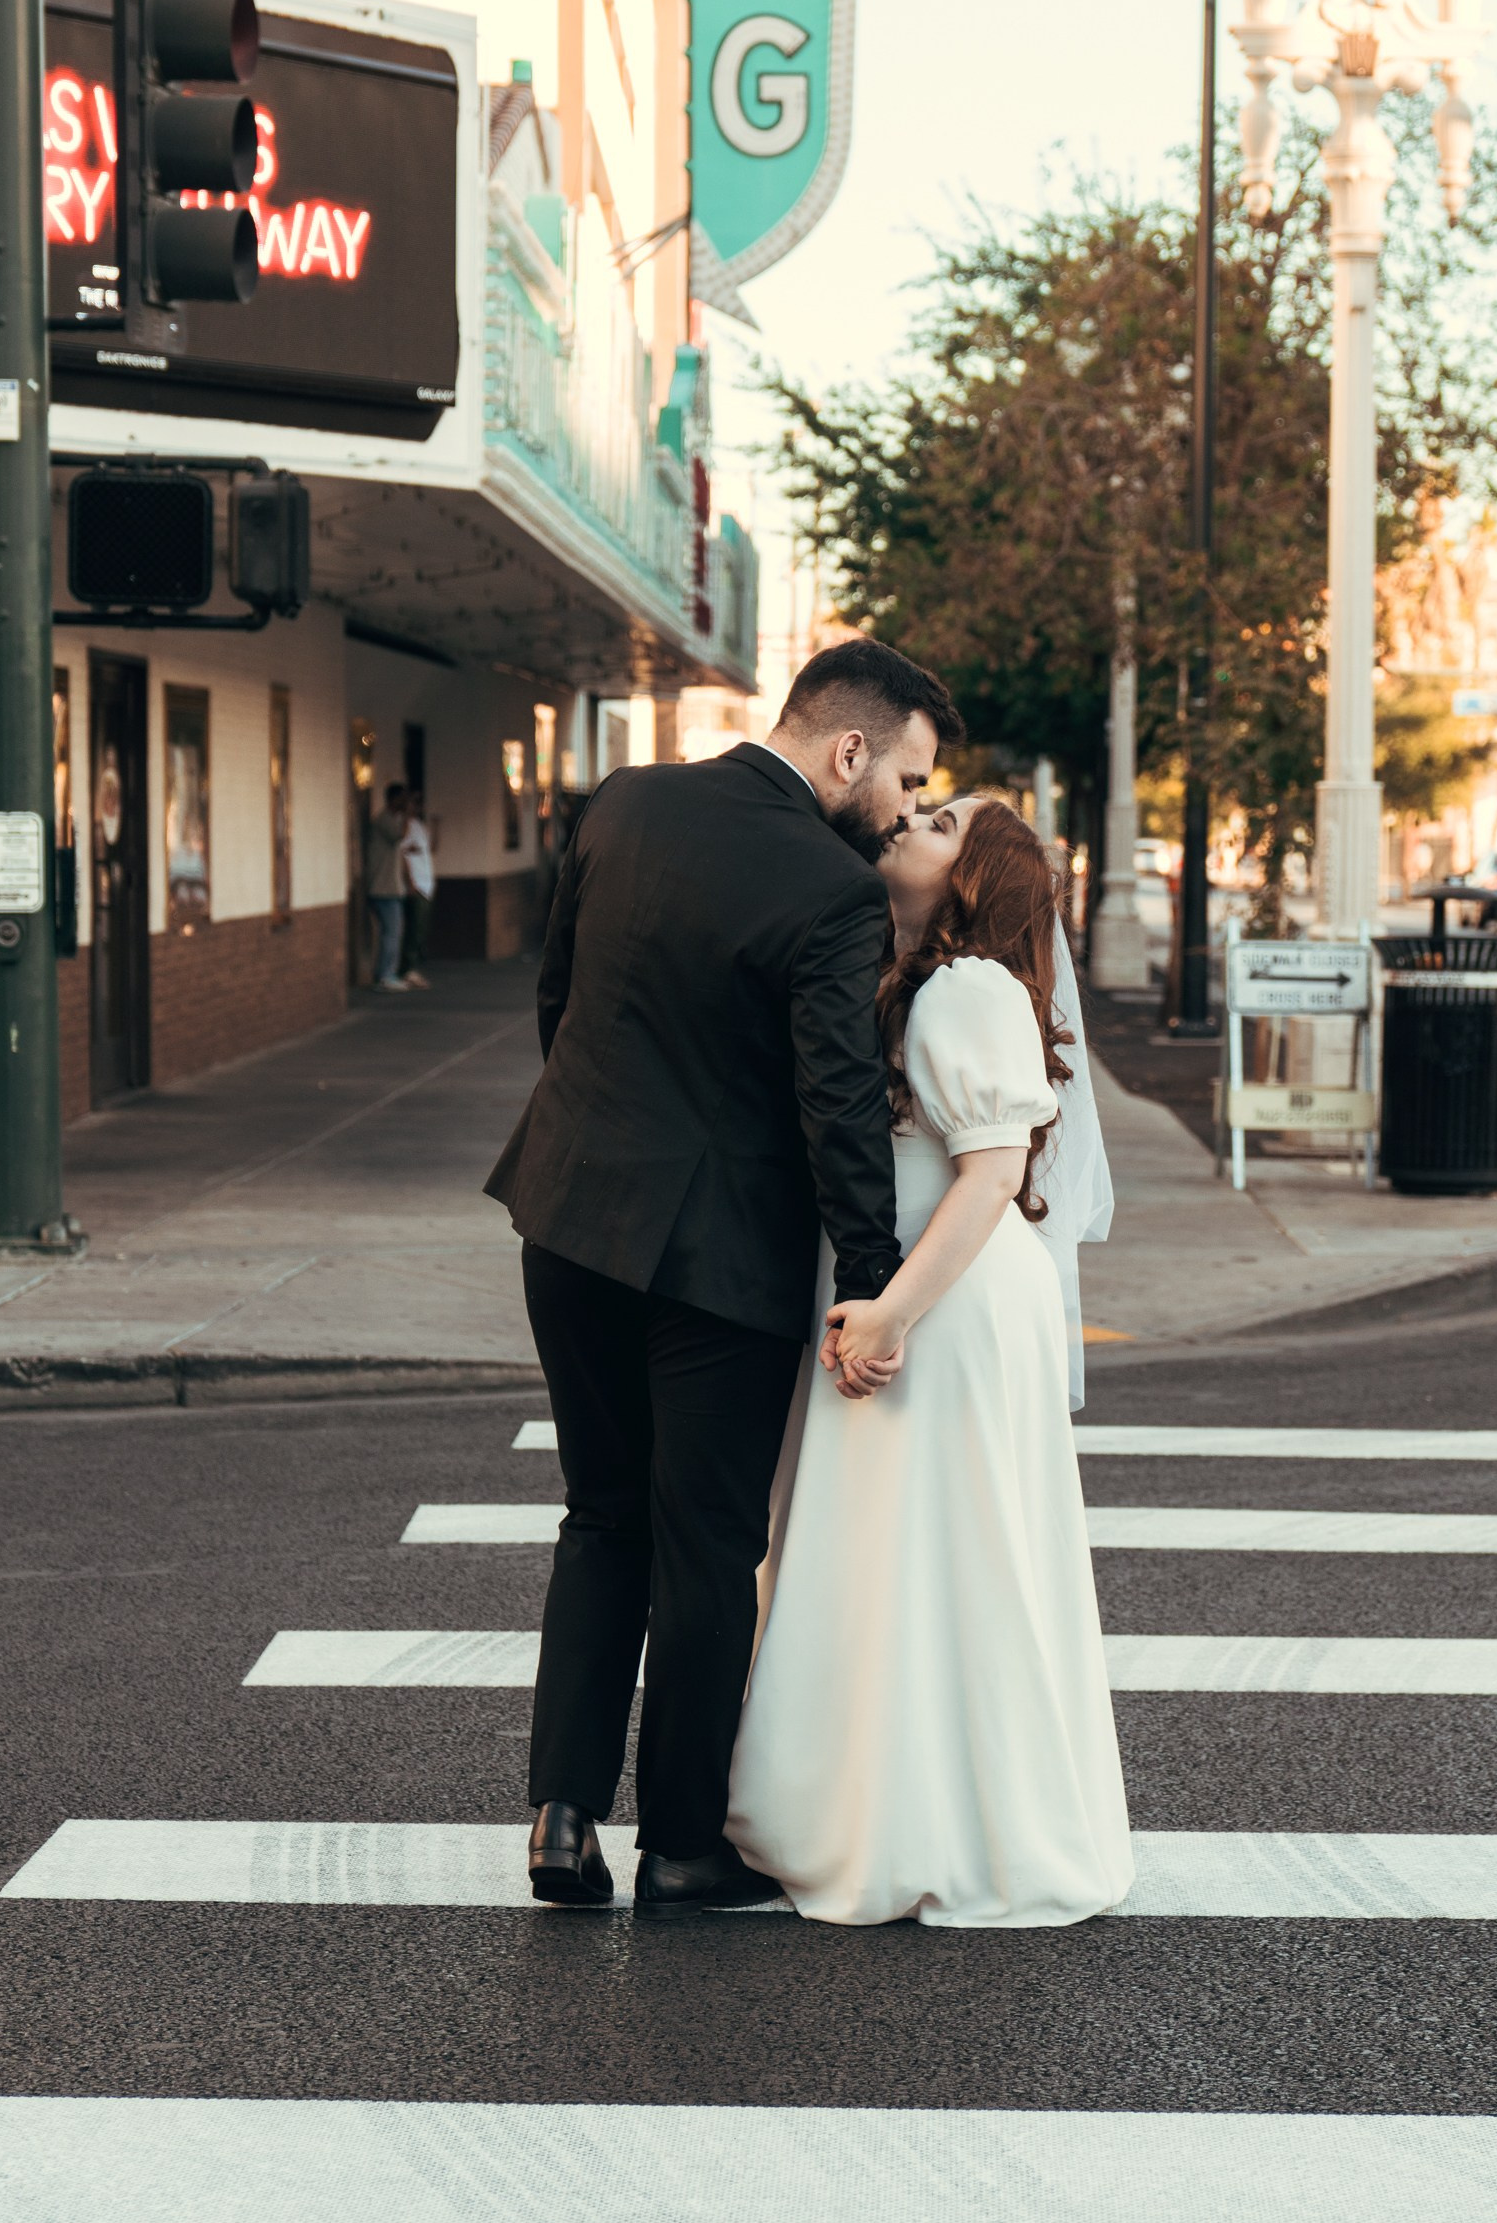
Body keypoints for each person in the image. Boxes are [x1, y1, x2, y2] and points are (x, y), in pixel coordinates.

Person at [484, 639, 960, 1914]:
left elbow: (557, 998)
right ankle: (684, 1843)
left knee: (600, 1515)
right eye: (907, 783)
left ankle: (562, 1819)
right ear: (847, 751)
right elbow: (838, 1109)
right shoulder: (830, 889)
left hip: (568, 1219)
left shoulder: (624, 800)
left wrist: (595, 1142)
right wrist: (872, 1283)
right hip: (719, 1264)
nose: (909, 812)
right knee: (706, 1548)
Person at [728, 797, 1134, 1927]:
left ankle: (934, 1826)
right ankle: (895, 1810)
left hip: (941, 1302)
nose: (912, 817)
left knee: (932, 1554)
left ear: (975, 878)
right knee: (904, 1556)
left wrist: (890, 1315)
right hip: (919, 1297)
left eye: (942, 820)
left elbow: (992, 1173)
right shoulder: (911, 981)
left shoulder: (968, 989)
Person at [365, 784, 410, 992]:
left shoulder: (390, 819)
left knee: (392, 931)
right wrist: (408, 816)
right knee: (392, 932)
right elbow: (399, 835)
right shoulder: (384, 820)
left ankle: (385, 973)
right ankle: (385, 975)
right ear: (393, 799)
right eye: (402, 799)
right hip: (383, 888)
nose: (406, 803)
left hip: (390, 887)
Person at [400, 793, 436, 989]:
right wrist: (410, 881)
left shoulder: (419, 826)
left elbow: (431, 848)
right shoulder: (405, 826)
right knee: (414, 928)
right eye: (413, 803)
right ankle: (407, 968)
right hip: (417, 884)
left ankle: (411, 967)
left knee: (420, 927)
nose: (417, 807)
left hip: (427, 883)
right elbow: (402, 852)